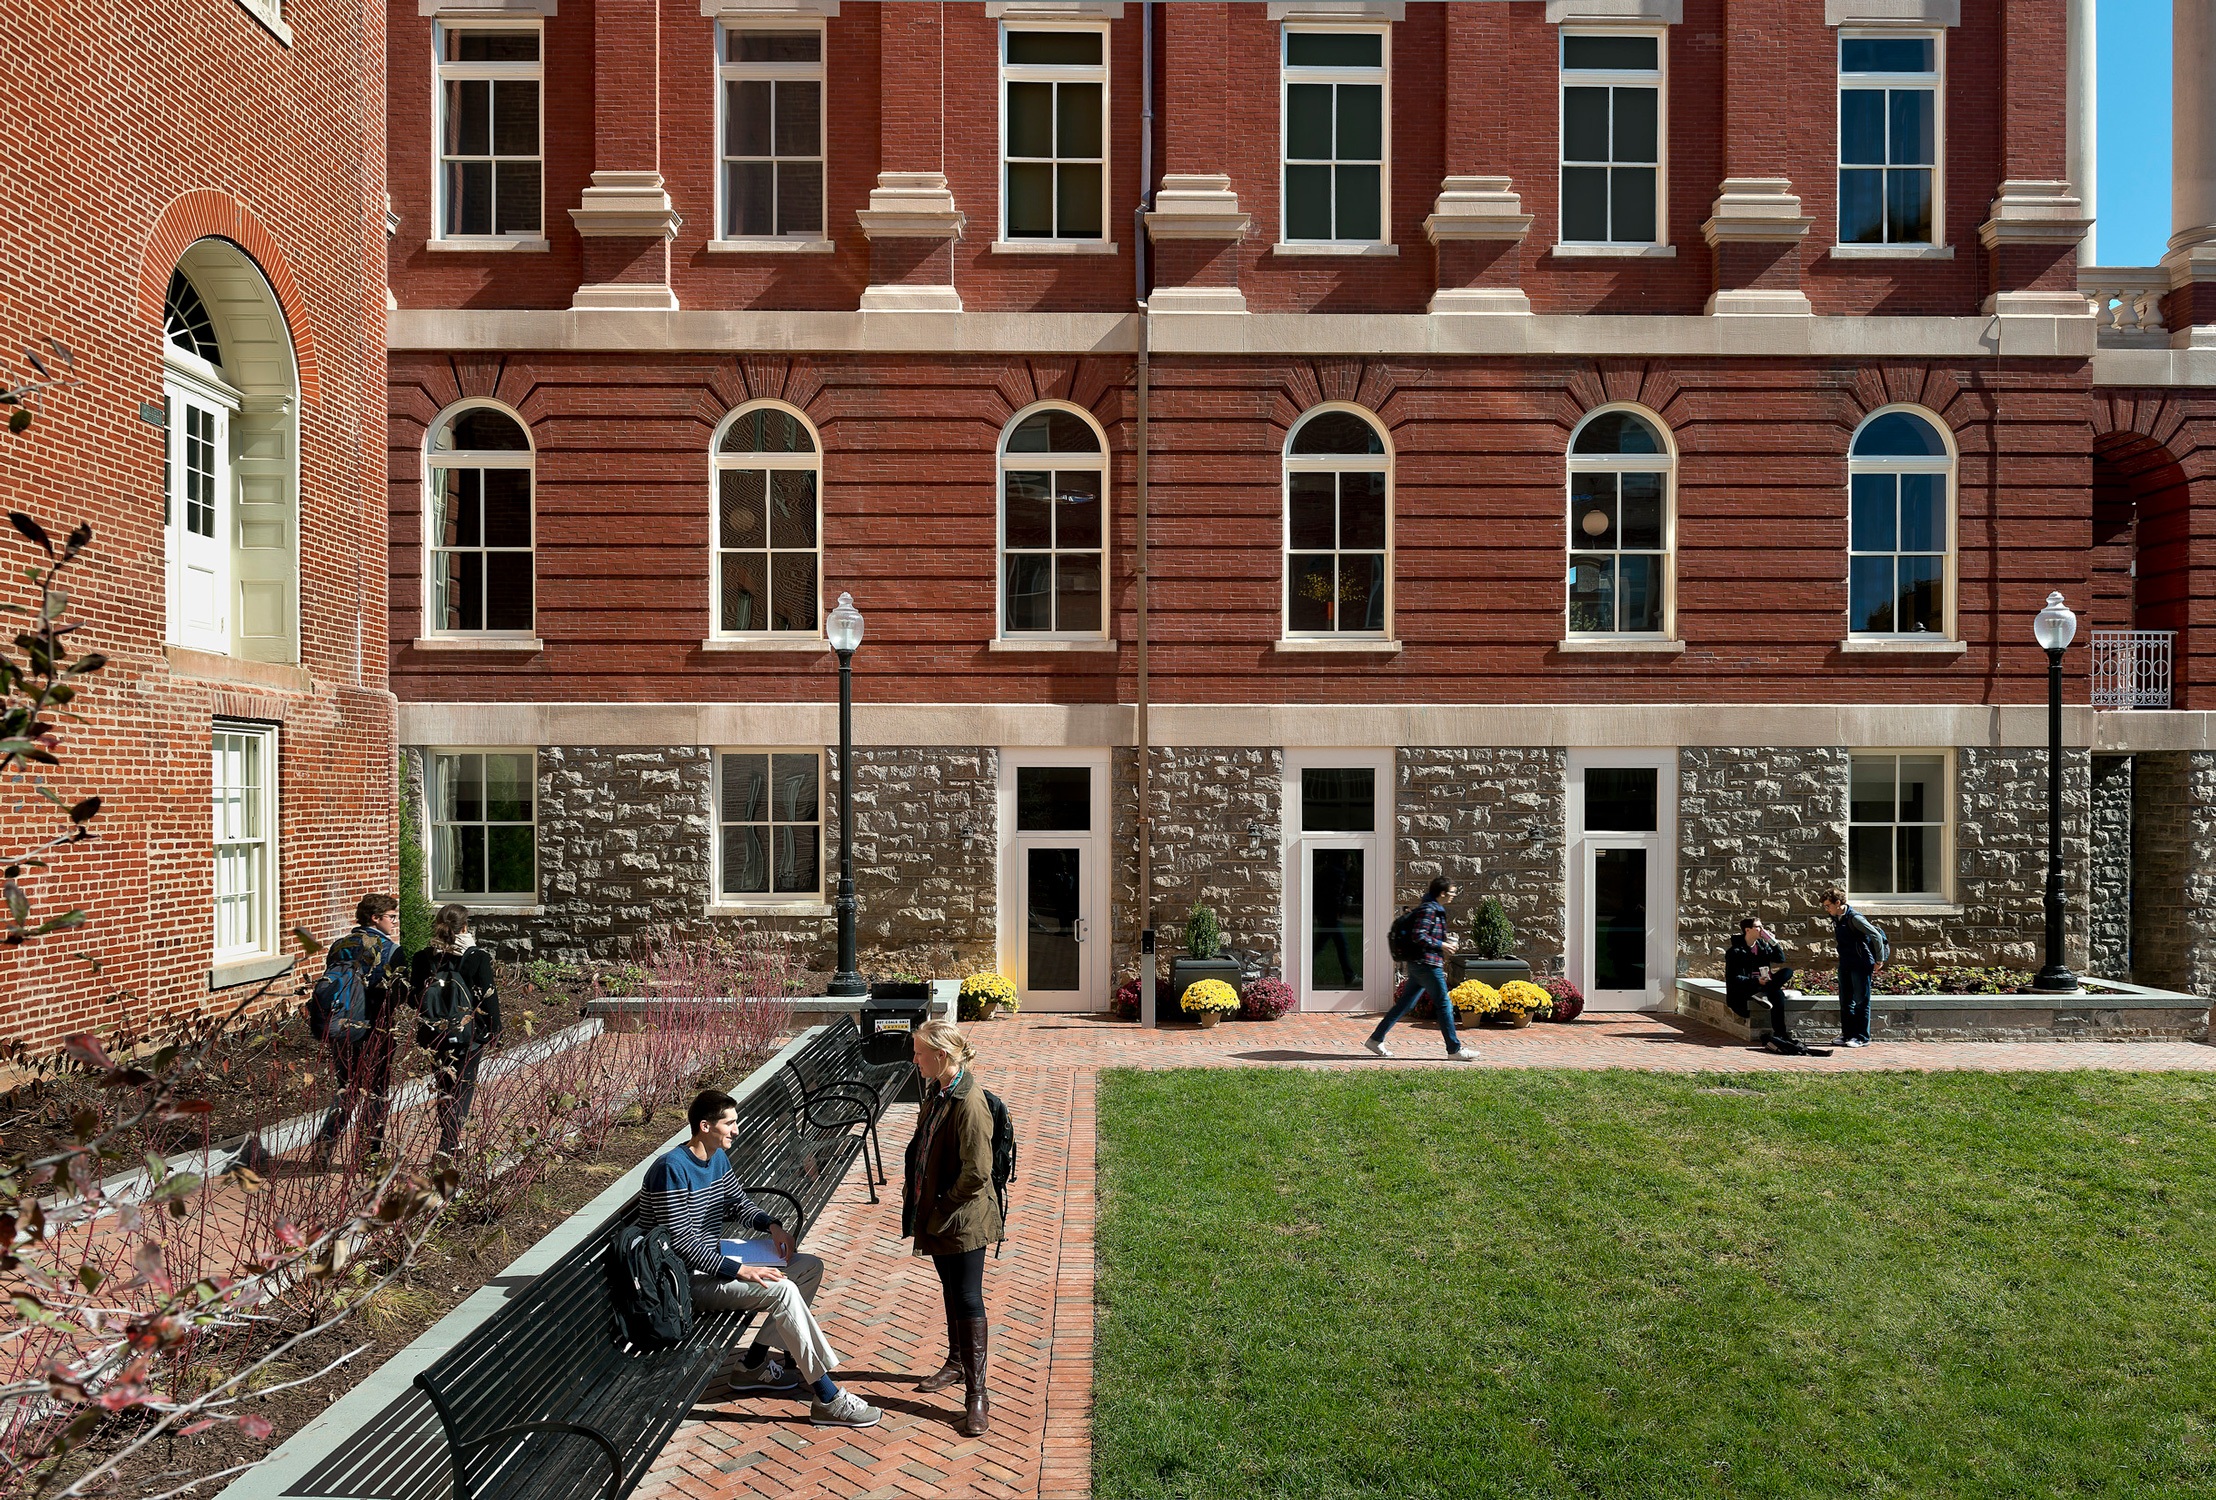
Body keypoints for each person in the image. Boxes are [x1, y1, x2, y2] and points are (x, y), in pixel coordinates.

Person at [642, 1089, 881, 1429]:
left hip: (715, 1263)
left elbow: (738, 1203)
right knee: (782, 1291)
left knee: (808, 1267)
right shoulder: (672, 1169)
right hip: (685, 1282)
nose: (736, 1131)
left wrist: (773, 1227)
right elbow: (679, 1243)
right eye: (730, 1123)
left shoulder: (717, 1157)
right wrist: (741, 1270)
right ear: (705, 1125)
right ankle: (827, 1396)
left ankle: (751, 1365)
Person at [901, 1019, 1006, 1437]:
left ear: (941, 1056)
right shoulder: (937, 1090)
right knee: (949, 1289)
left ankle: (976, 1395)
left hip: (963, 1217)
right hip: (940, 1214)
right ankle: (957, 1362)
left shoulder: (969, 1102)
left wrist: (942, 1206)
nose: (915, 1060)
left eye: (919, 1054)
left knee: (967, 1297)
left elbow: (977, 1173)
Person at [314, 893, 407, 1162]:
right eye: (391, 917)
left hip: (342, 1028)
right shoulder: (390, 950)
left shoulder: (339, 945)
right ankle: (368, 1153)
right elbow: (399, 993)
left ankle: (327, 1138)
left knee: (347, 1087)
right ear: (375, 918)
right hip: (376, 1029)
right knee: (377, 1092)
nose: (394, 923)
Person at [407, 903, 501, 1158]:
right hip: (469, 1035)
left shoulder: (423, 957)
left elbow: (413, 998)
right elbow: (489, 998)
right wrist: (495, 1032)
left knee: (443, 1086)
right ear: (465, 926)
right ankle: (448, 1143)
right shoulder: (476, 957)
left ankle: (451, 1142)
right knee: (463, 1085)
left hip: (434, 1033)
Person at [1365, 877, 1475, 1061]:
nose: (1454, 896)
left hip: (1420, 964)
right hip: (1427, 964)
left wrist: (1443, 943)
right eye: (1452, 892)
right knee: (1444, 1004)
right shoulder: (1430, 910)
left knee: (1405, 1004)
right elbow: (1419, 935)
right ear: (1442, 893)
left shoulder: (1432, 908)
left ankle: (1375, 1039)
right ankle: (1454, 1050)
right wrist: (1442, 945)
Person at [1821, 885, 1885, 1048]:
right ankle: (1848, 1034)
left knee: (1861, 1001)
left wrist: (1879, 959)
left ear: (1838, 903)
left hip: (1860, 963)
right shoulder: (1837, 918)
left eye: (1828, 906)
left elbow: (1876, 935)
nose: (1827, 909)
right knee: (1846, 1000)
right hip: (1846, 963)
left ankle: (1862, 1037)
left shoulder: (1855, 918)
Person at [1724, 916, 1799, 1046]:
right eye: (1758, 927)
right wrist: (1757, 981)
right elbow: (1734, 979)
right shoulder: (1735, 951)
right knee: (1778, 994)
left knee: (1787, 972)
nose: (1762, 929)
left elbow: (1780, 958)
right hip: (1748, 987)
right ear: (1748, 930)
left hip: (1765, 984)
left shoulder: (1762, 946)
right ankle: (1780, 1032)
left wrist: (1772, 941)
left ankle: (1780, 1034)